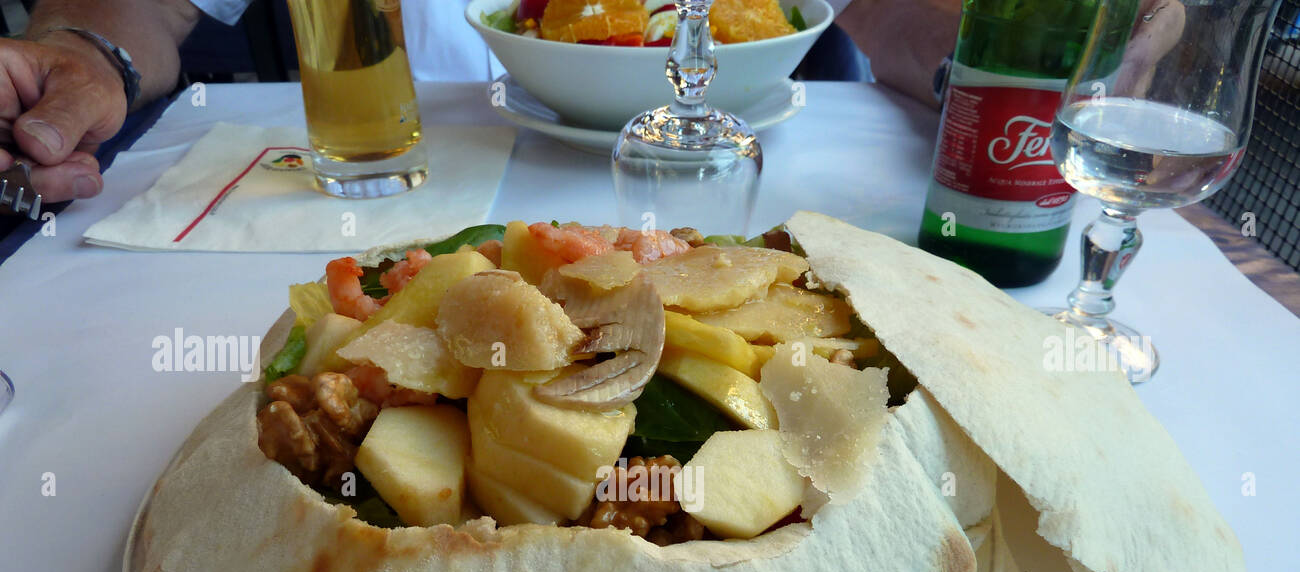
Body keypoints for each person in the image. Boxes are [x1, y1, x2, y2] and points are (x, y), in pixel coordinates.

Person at [0, 0, 1177, 206]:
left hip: (743, 186)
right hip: (358, 187)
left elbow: (887, 12)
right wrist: (83, 50)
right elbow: (143, 5)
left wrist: (1010, 70)